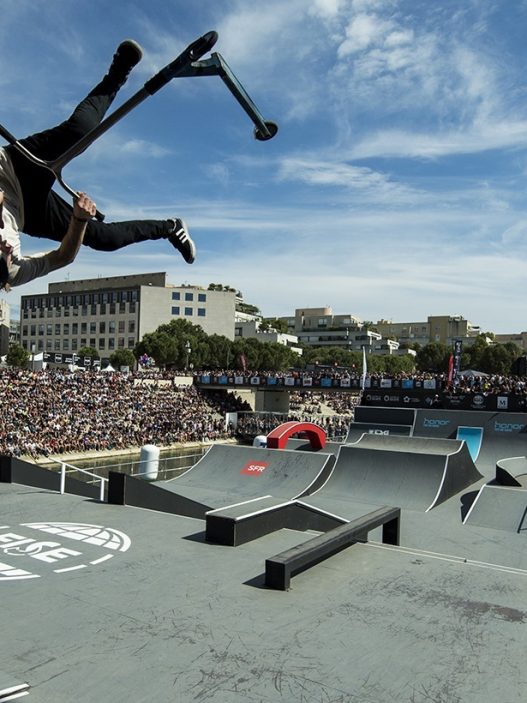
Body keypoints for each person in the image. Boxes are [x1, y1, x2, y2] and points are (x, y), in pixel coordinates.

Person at [0, 40, 196, 291]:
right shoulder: (13, 272)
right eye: (6, 258)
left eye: (2, 251)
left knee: (80, 131)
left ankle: (116, 75)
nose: (8, 248)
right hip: (29, 214)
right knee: (105, 239)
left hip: (11, 168)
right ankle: (170, 227)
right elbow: (63, 257)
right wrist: (79, 220)